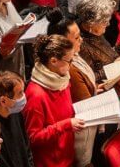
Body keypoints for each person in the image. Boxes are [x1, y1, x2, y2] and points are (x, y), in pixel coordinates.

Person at [23, 35, 83, 167]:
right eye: (69, 61)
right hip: (51, 162)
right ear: (54, 61)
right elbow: (33, 138)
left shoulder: (63, 78)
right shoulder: (35, 94)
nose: (71, 65)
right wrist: (66, 125)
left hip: (67, 154)